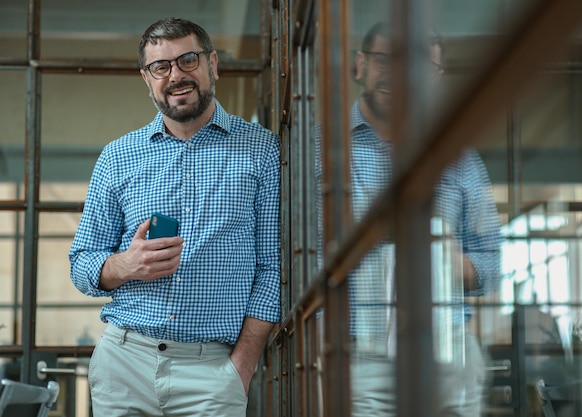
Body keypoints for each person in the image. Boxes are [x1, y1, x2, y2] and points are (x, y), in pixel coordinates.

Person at [68, 18, 281, 417]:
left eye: (188, 60)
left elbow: (273, 267)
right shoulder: (117, 157)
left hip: (213, 371)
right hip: (125, 364)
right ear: (147, 79)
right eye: (160, 67)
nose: (176, 76)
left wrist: (242, 365)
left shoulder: (263, 151)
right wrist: (125, 264)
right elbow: (81, 264)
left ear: (212, 64)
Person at [316, 22, 502, 416]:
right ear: (359, 65)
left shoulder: (461, 158)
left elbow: (492, 264)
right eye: (386, 60)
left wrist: (454, 263)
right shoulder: (316, 150)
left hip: (446, 350)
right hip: (354, 350)